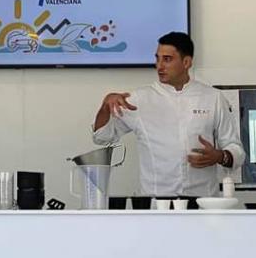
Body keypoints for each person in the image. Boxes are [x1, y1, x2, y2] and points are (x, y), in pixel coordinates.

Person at [92, 31, 244, 205]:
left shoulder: (213, 98)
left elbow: (236, 149)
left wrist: (220, 156)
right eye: (157, 59)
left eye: (167, 59)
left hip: (203, 203)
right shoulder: (139, 99)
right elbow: (102, 137)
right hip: (155, 204)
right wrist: (105, 107)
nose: (159, 66)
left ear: (186, 62)